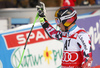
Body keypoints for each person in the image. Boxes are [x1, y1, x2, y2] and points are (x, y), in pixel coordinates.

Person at [36, 2, 93, 68]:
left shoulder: (81, 35)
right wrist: (42, 18)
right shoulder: (65, 34)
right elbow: (53, 34)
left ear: (66, 21)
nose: (57, 24)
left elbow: (88, 59)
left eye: (58, 21)